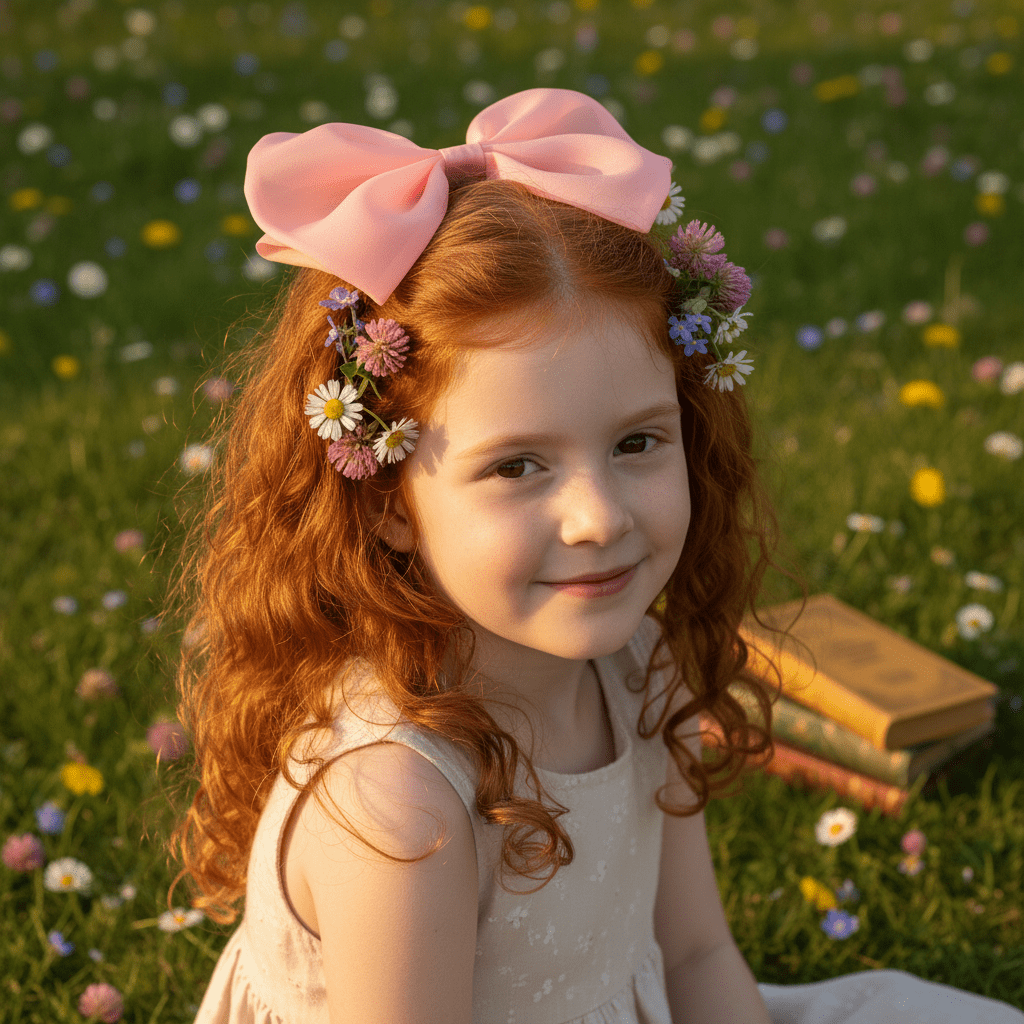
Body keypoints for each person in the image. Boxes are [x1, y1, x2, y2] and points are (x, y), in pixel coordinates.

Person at [169, 89, 1024, 1024]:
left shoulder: (638, 670)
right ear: (388, 502)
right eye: (517, 466)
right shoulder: (398, 805)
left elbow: (694, 954)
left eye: (635, 443)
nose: (597, 518)